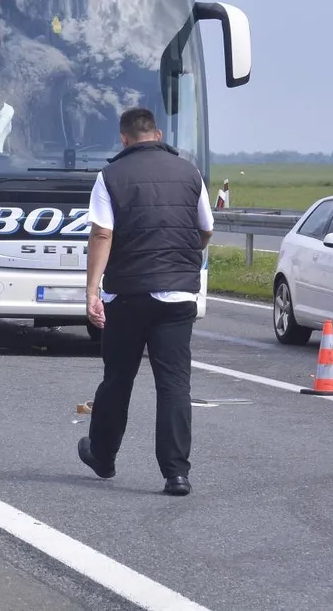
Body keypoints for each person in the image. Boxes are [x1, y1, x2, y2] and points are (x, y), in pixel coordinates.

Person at [78, 107, 214, 497]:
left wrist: (92, 292)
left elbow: (102, 234)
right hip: (177, 295)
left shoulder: (110, 176)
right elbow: (205, 228)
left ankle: (102, 456)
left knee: (118, 378)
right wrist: (185, 255)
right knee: (174, 384)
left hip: (127, 295)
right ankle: (176, 473)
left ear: (124, 139)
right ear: (156, 133)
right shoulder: (190, 173)